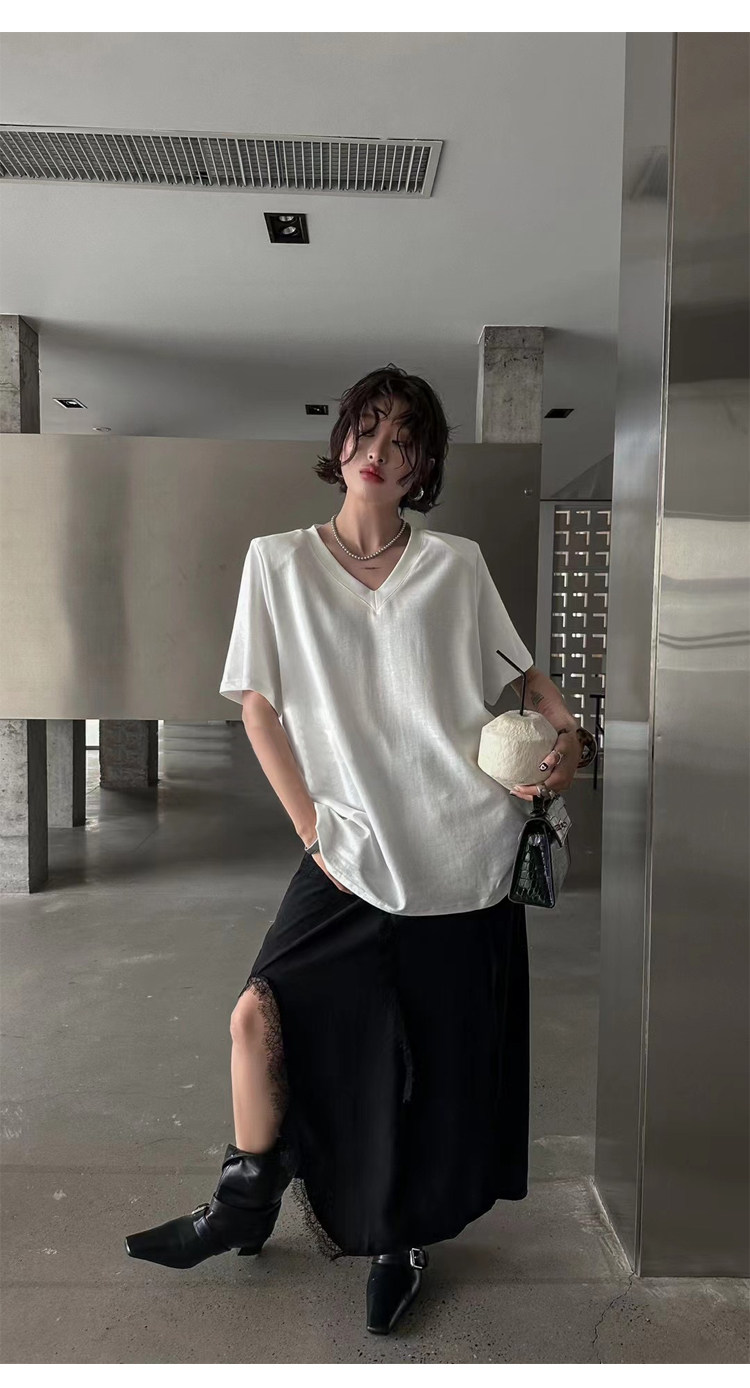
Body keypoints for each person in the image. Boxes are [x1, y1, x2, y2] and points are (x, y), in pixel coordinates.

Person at [125, 363, 581, 1335]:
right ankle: (244, 1199)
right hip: (348, 850)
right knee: (258, 1015)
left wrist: (569, 741)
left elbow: (530, 684)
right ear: (338, 444)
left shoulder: (454, 565)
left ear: (424, 468)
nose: (379, 451)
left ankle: (403, 1238)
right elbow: (259, 708)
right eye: (365, 430)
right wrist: (312, 829)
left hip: (462, 849)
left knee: (430, 1065)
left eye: (403, 441)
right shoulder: (278, 563)